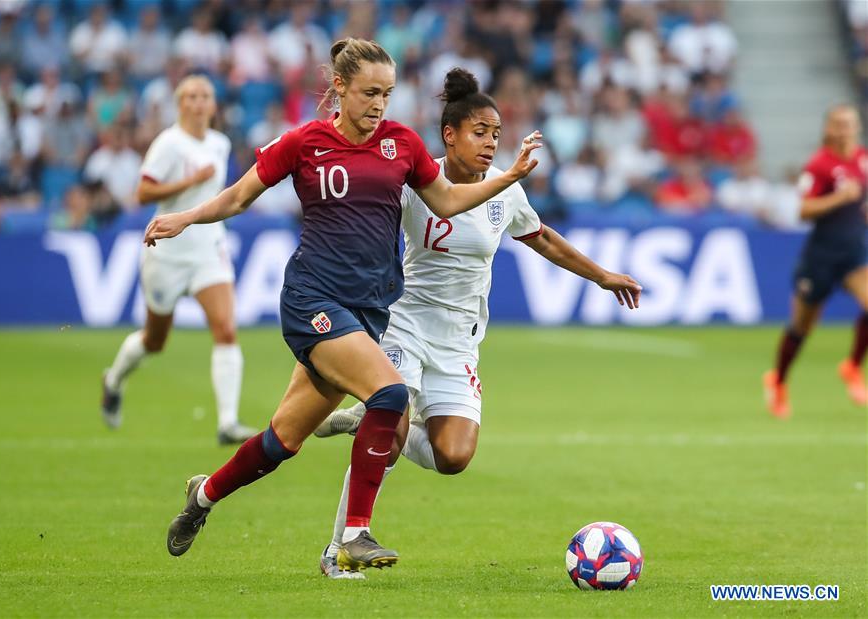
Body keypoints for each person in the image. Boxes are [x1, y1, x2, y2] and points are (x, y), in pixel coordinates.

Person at [144, 39, 542, 572]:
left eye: (387, 94)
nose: (379, 104)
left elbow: (447, 201)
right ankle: (353, 537)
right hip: (313, 299)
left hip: (367, 311)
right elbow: (239, 196)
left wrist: (509, 177)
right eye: (369, 93)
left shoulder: (402, 143)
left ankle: (203, 496)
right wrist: (186, 217)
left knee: (283, 440)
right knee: (390, 393)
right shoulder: (303, 142)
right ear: (339, 87)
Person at [313, 68, 642, 579]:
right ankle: (338, 549)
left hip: (459, 341)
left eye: (496, 134)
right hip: (404, 324)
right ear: (450, 135)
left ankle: (368, 419)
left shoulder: (503, 192)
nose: (490, 143)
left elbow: (541, 237)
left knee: (453, 456)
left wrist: (601, 275)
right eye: (480, 132)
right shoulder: (416, 181)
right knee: (389, 432)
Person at [101, 75, 257, 445]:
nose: (199, 102)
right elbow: (143, 193)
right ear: (180, 104)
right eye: (192, 96)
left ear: (214, 105)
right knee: (155, 340)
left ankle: (228, 422)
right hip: (167, 253)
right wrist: (190, 181)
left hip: (208, 249)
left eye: (206, 96)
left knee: (226, 329)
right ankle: (114, 379)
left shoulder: (219, 143)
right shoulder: (169, 143)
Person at [763, 104, 868, 418]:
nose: (844, 130)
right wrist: (840, 197)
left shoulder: (863, 160)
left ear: (858, 127)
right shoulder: (818, 165)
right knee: (802, 327)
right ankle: (778, 380)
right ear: (828, 129)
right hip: (820, 256)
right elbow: (803, 210)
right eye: (838, 124)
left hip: (853, 253)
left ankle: (852, 366)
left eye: (849, 124)